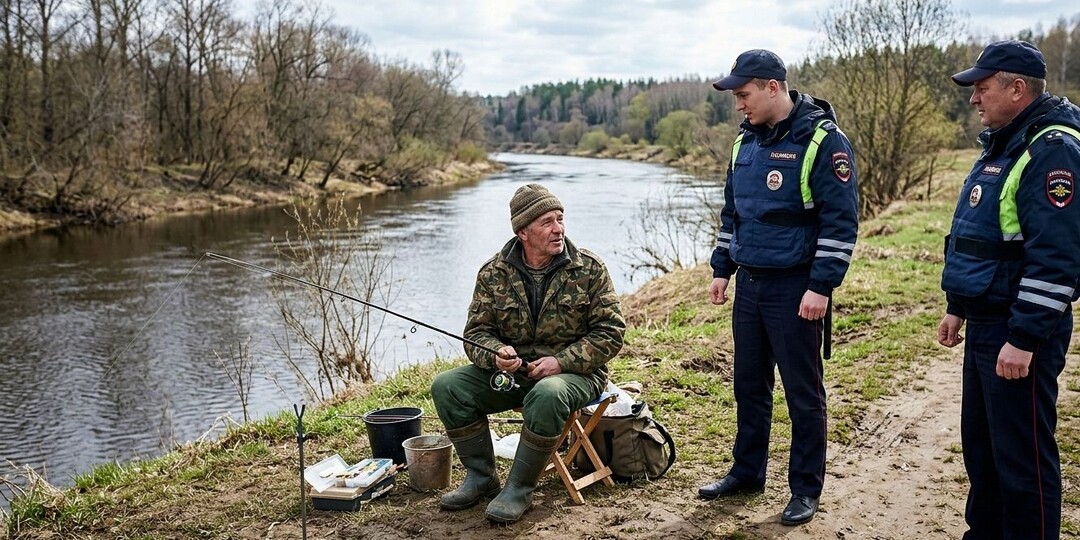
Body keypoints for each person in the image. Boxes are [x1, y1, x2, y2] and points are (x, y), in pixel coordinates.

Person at [697, 49, 859, 526]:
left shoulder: (824, 142)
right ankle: (747, 473)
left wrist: (821, 287)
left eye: (744, 95)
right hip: (749, 284)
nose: (738, 105)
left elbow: (841, 223)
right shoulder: (742, 144)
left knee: (803, 394)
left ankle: (805, 489)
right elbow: (733, 214)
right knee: (748, 385)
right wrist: (721, 267)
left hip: (797, 289)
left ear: (773, 87)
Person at [938, 40, 1080, 540]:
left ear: (1017, 88)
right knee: (982, 449)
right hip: (984, 322)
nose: (974, 99)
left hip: (1018, 329)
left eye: (982, 88)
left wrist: (1023, 338)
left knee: (1023, 461)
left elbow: (1057, 259)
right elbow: (982, 235)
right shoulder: (1004, 143)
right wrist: (957, 306)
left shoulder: (1052, 150)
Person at [430, 183, 625, 524]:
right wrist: (496, 355)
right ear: (523, 231)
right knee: (447, 386)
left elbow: (611, 334)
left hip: (577, 375)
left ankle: (519, 488)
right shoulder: (493, 273)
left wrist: (560, 362)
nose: (558, 229)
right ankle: (481, 478)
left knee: (547, 394)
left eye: (560, 219)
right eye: (547, 222)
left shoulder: (589, 269)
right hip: (513, 374)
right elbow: (477, 333)